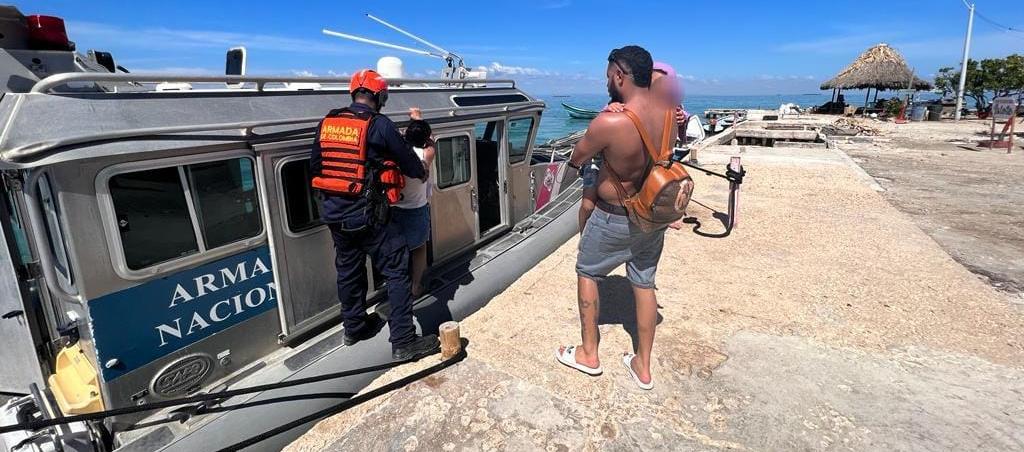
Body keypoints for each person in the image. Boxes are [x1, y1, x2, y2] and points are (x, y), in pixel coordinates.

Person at [555, 45, 674, 390]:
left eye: (608, 77)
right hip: (651, 215)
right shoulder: (666, 113)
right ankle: (643, 366)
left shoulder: (609, 121)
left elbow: (577, 158)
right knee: (644, 282)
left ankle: (589, 354)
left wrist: (604, 122)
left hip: (613, 217)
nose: (607, 83)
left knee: (587, 272)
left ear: (620, 76)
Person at [310, 69, 440, 361]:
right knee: (396, 269)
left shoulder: (327, 122)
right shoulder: (379, 124)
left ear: (353, 93)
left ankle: (354, 327)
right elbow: (407, 160)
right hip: (368, 214)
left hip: (333, 213)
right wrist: (421, 171)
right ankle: (404, 341)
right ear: (380, 97)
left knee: (348, 270)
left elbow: (315, 166)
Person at [578, 60, 688, 233]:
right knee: (588, 203)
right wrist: (610, 107)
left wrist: (682, 119)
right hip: (617, 164)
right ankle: (584, 231)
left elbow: (678, 130)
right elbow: (603, 124)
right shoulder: (623, 103)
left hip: (643, 171)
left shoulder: (669, 107)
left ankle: (585, 233)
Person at [392, 109, 435, 298]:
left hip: (394, 210)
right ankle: (416, 286)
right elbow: (431, 141)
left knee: (397, 251)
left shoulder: (395, 155)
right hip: (417, 209)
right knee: (419, 249)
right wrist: (418, 118)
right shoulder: (425, 156)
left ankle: (399, 286)